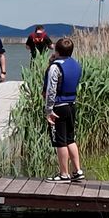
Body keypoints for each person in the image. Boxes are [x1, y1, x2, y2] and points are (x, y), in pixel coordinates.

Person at [43, 38, 85, 182]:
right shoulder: (76, 65)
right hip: (72, 105)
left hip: (58, 107)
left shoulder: (55, 67)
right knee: (70, 139)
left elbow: (50, 90)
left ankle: (64, 174)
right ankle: (78, 170)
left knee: (60, 141)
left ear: (57, 51)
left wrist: (49, 110)